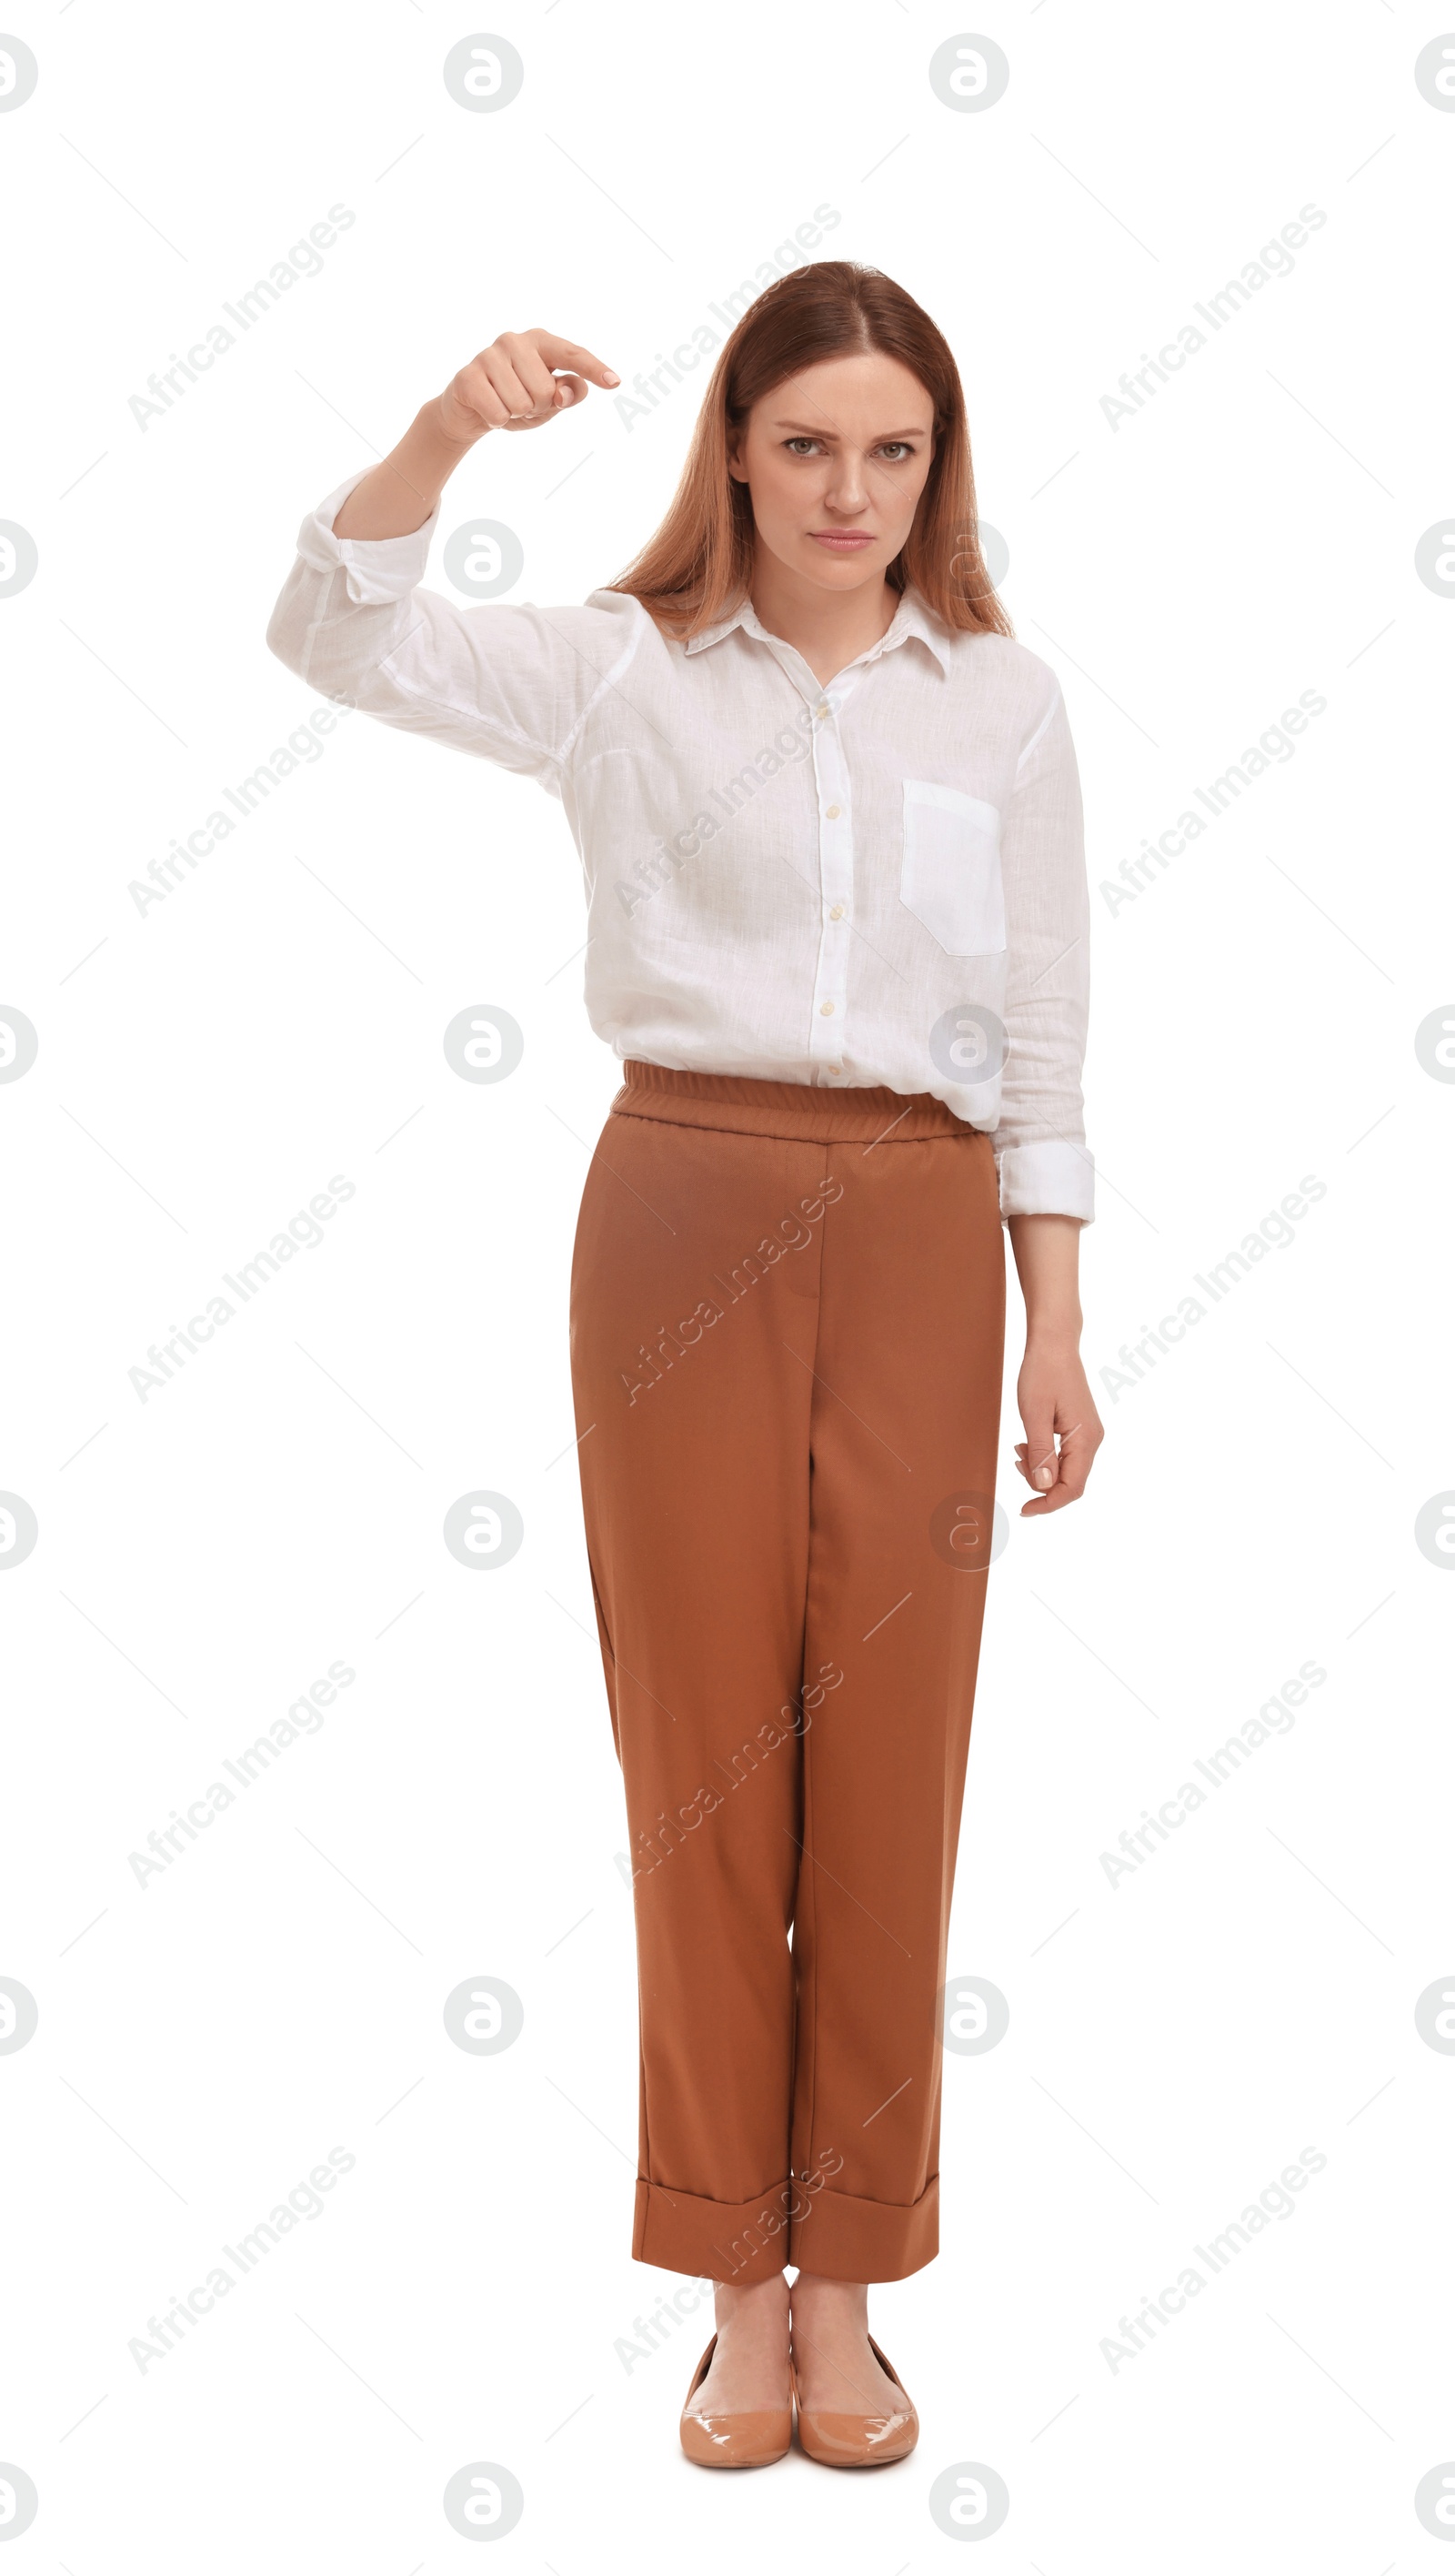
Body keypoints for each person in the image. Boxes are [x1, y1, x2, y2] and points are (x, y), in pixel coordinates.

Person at [267, 260, 1103, 2470]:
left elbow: (1037, 1032)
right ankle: (737, 2292)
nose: (848, 490)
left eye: (891, 450)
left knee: (891, 1764)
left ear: (939, 469)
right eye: (807, 443)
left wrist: (1061, 1317)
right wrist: (446, 432)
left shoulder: (999, 703)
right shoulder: (620, 676)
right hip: (681, 1213)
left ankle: (858, 2292)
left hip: (926, 1231)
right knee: (708, 1763)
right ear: (731, 447)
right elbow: (330, 637)